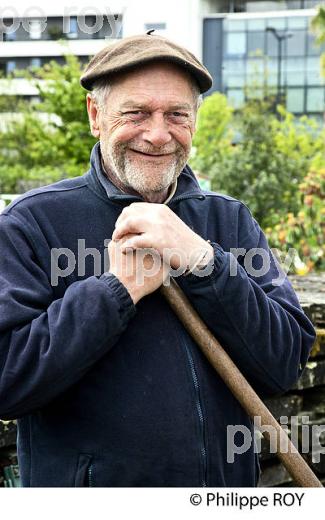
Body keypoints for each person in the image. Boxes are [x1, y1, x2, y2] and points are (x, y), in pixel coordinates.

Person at [0, 33, 315, 487]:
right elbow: (7, 378)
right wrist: (114, 292)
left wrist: (205, 263)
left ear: (195, 122)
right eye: (136, 113)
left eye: (177, 115)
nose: (158, 133)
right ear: (96, 116)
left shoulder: (228, 219)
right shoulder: (31, 223)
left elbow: (284, 361)